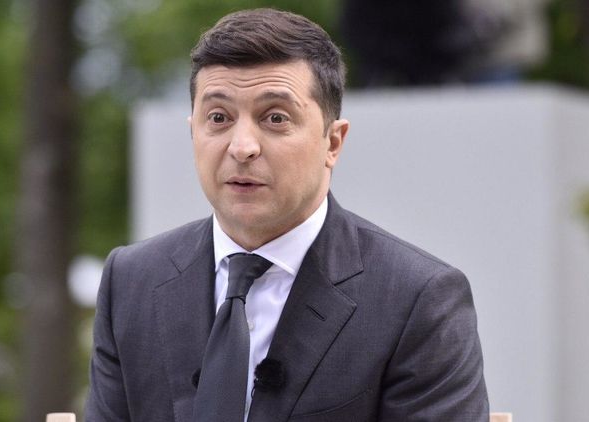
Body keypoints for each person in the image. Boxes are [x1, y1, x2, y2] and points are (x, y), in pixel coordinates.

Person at [86, 8, 488, 422]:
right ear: (193, 132)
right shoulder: (131, 280)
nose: (242, 147)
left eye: (275, 118)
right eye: (218, 118)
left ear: (333, 142)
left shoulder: (417, 298)